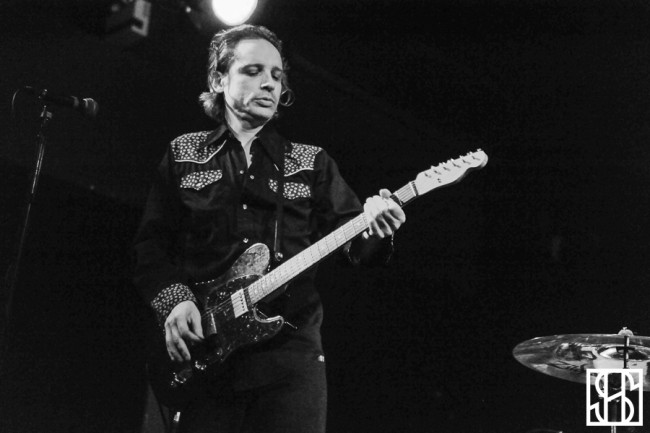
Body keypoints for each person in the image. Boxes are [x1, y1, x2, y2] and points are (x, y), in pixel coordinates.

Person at [133, 24, 406, 433]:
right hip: (207, 355)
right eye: (253, 71)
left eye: (277, 76)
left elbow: (357, 245)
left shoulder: (311, 161)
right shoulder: (183, 153)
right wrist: (175, 301)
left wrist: (378, 229)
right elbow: (151, 246)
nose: (269, 83)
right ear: (218, 79)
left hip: (289, 356)